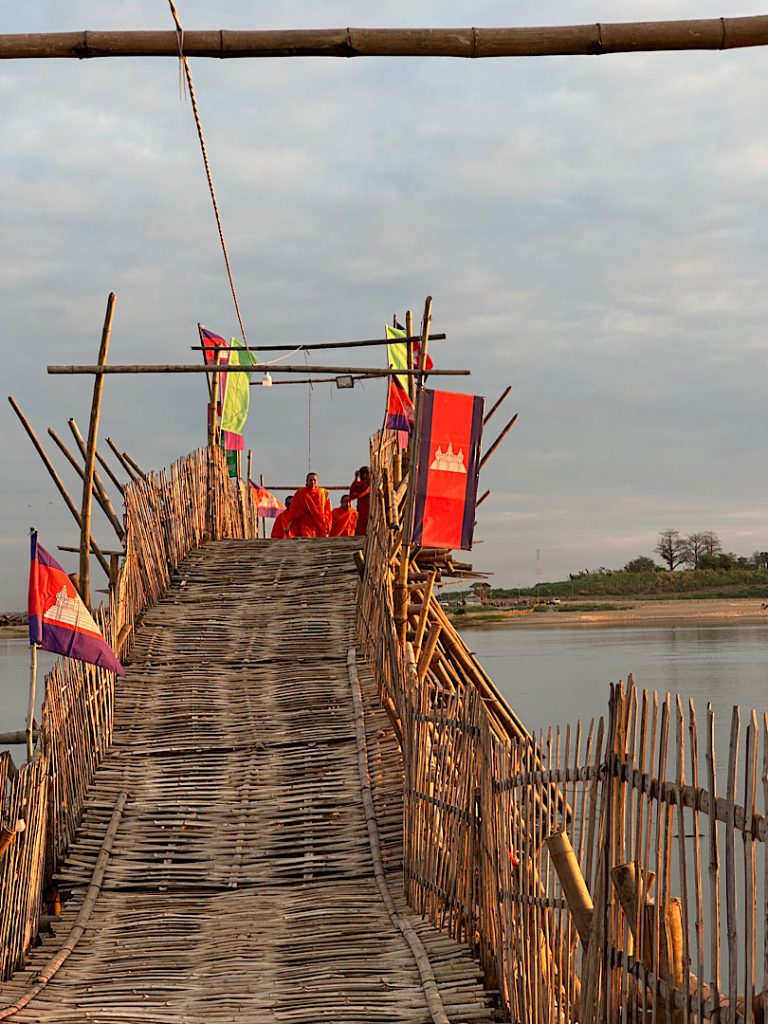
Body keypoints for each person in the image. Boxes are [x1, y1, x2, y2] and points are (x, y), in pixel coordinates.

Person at [286, 472, 332, 537]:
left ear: (317, 481)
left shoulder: (322, 492)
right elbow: (293, 511)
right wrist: (288, 526)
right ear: (306, 481)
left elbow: (327, 509)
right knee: (307, 541)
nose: (313, 482)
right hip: (306, 523)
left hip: (320, 524)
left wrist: (328, 524)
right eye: (310, 480)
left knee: (321, 544)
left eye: (314, 480)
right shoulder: (300, 493)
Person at [348, 465, 371, 536]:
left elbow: (361, 492)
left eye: (366, 473)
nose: (364, 475)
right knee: (361, 525)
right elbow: (353, 493)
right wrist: (356, 478)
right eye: (362, 473)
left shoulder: (370, 484)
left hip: (370, 508)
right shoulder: (358, 484)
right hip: (361, 509)